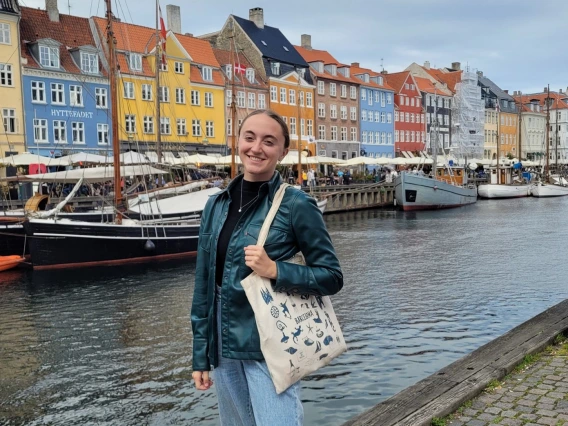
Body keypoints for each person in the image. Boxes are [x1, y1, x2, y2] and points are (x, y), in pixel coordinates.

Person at [191, 109, 343, 426]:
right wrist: (200, 355)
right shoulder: (215, 205)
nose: (256, 147)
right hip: (221, 341)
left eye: (268, 141)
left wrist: (276, 270)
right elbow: (204, 285)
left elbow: (331, 276)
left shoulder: (296, 204)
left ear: (282, 152)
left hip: (268, 338)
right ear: (238, 142)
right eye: (250, 137)